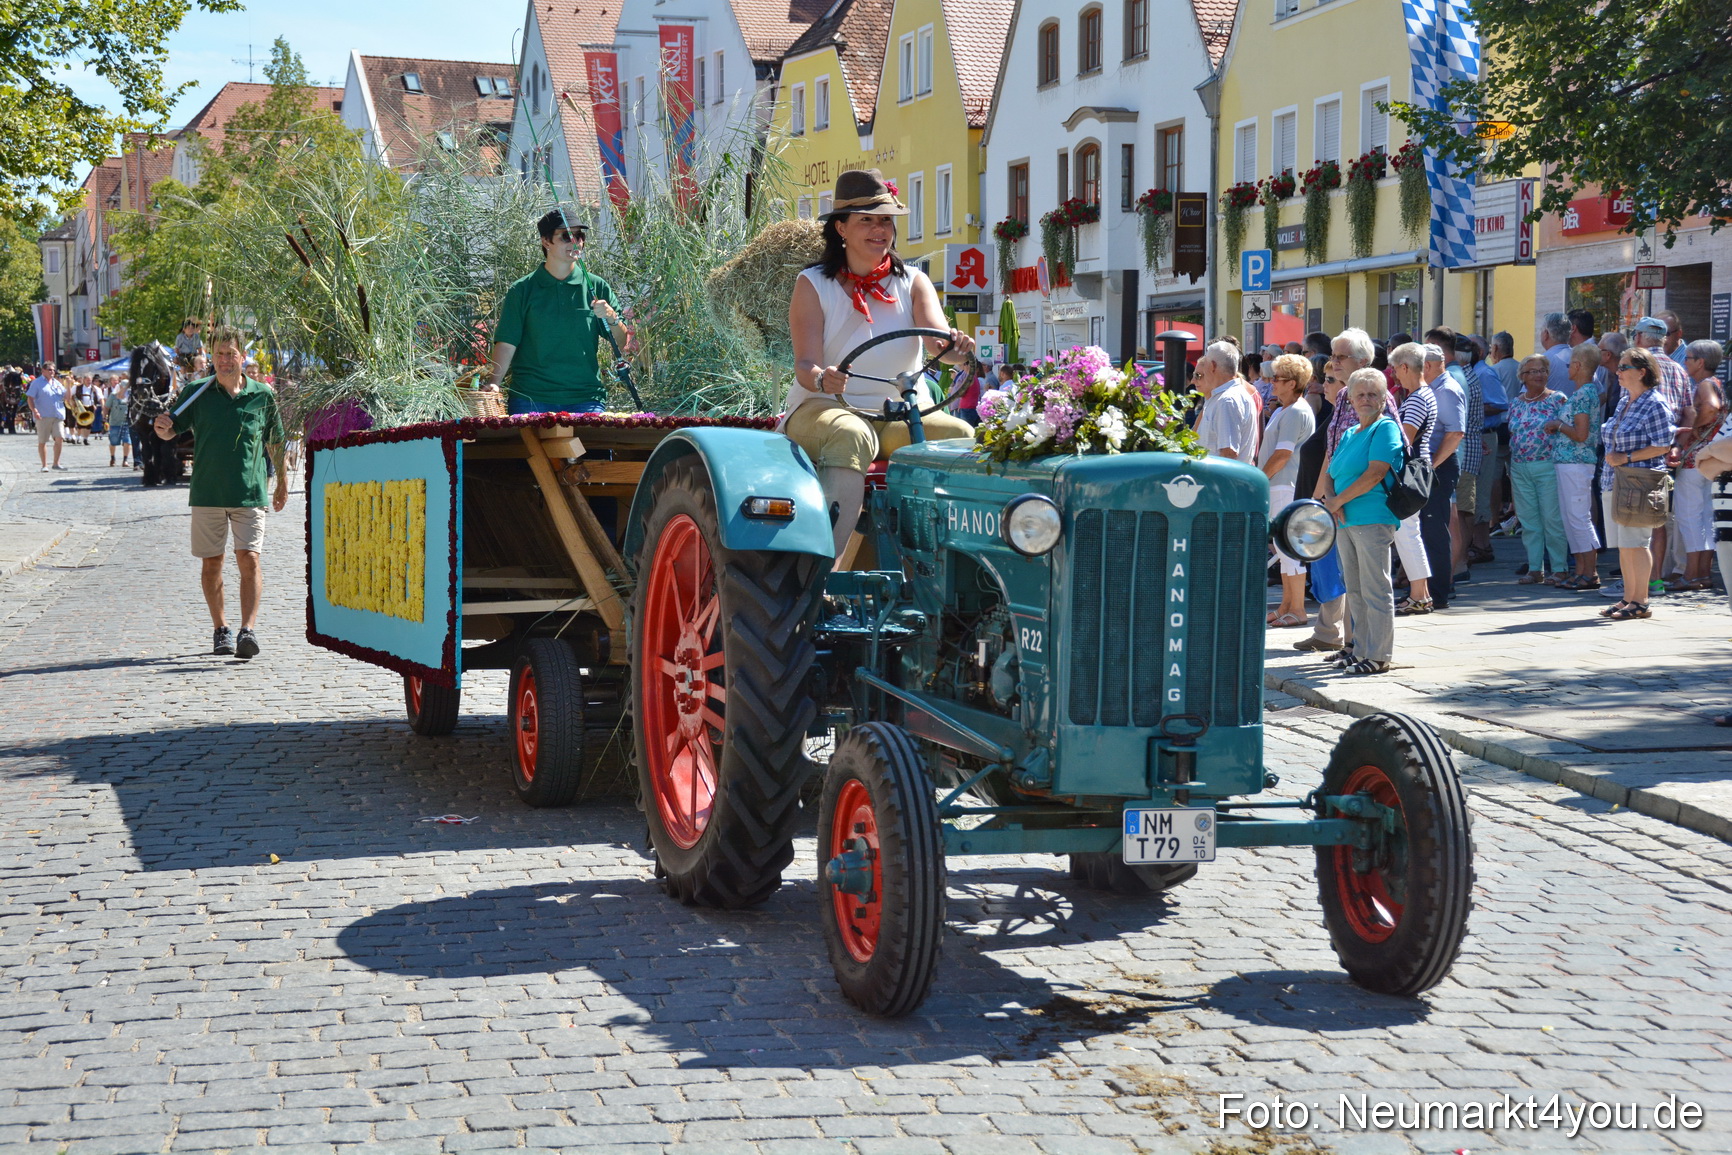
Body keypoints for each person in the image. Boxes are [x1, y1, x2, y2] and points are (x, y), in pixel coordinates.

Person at [785, 169, 975, 557]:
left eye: (885, 220)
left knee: (957, 435)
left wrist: (959, 348)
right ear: (841, 228)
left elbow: (941, 345)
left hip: (901, 413)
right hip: (823, 407)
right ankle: (824, 576)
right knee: (852, 435)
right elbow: (805, 366)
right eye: (867, 220)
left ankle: (948, 568)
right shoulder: (813, 283)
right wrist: (823, 380)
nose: (880, 230)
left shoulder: (914, 281)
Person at [152, 327, 288, 659]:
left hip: (250, 492)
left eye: (231, 353)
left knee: (250, 560)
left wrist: (282, 481)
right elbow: (172, 431)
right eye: (220, 354)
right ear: (212, 357)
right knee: (213, 563)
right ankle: (221, 629)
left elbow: (275, 440)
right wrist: (162, 429)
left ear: (243, 357)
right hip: (208, 492)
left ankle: (248, 630)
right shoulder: (197, 392)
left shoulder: (262, 395)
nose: (225, 360)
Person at [483, 209, 633, 416]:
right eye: (566, 236)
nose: (576, 242)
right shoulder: (521, 290)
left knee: (595, 450)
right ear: (546, 241)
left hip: (586, 397)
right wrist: (494, 384)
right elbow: (507, 343)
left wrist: (611, 317)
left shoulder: (597, 286)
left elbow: (622, 341)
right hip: (530, 399)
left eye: (579, 235)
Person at [1319, 368, 1405, 675]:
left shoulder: (1386, 428)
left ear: (1383, 399)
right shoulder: (1348, 432)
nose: (1366, 399)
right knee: (1355, 589)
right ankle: (1362, 650)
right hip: (1345, 519)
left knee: (1375, 588)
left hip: (1372, 517)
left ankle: (1379, 654)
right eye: (1360, 394)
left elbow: (1376, 473)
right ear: (1351, 400)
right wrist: (1331, 499)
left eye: (1372, 394)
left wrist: (1338, 501)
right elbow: (1331, 472)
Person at [1597, 347, 1675, 621]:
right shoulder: (1624, 400)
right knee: (1624, 545)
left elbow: (1663, 445)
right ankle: (1628, 598)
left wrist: (1626, 456)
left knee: (1637, 543)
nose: (1617, 372)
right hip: (1615, 480)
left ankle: (1641, 601)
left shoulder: (1655, 403)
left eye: (1624, 367)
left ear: (1642, 372)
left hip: (1640, 483)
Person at [1259, 354, 1317, 628]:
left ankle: (1297, 609)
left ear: (1292, 383)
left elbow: (1283, 454)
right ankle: (1287, 605)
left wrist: (1258, 479)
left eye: (1277, 379)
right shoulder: (1287, 409)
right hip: (1280, 484)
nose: (1271, 383)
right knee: (1284, 549)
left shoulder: (1295, 411)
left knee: (1289, 548)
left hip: (1285, 485)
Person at [1385, 342, 1440, 613]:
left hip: (1411, 473)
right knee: (1409, 533)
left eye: (1396, 368)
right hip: (1418, 471)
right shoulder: (1423, 394)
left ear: (1405, 367)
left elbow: (1405, 439)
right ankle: (1422, 593)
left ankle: (1419, 594)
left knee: (1407, 533)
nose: (1394, 374)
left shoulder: (1418, 397)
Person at [1544, 342, 1604, 589]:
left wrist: (1558, 425)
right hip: (1571, 463)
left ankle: (1589, 572)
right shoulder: (1585, 393)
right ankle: (1581, 570)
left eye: (1570, 365)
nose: (1568, 369)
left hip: (1576, 463)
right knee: (1573, 518)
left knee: (1578, 518)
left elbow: (1580, 434)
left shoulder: (1582, 394)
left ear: (1578, 366)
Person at [1507, 355, 1570, 584]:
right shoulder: (1516, 402)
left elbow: (1569, 431)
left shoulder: (1558, 400)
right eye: (1533, 371)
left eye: (1543, 370)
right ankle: (1535, 568)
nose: (1540, 374)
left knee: (1552, 518)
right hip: (1520, 466)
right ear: (1522, 376)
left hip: (1547, 465)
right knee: (1529, 520)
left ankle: (1560, 568)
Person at [1670, 340, 1727, 591]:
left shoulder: (1704, 385)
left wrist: (1694, 431)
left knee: (1689, 518)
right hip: (1709, 461)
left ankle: (1691, 575)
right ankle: (1702, 574)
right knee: (1705, 519)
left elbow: (1711, 408)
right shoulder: (1717, 384)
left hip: (1694, 460)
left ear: (1700, 362)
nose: (1685, 362)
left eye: (1689, 358)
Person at [1193, 342, 1258, 460]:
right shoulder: (1225, 396)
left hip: (1219, 477)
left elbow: (1229, 454)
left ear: (1212, 366)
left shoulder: (1227, 401)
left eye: (1205, 363)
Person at [27, 364, 68, 471]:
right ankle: (44, 465)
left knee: (59, 438)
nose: (52, 372)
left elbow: (67, 398)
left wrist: (68, 384)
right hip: (43, 416)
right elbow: (30, 398)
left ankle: (56, 463)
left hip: (58, 415)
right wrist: (34, 410)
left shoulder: (57, 382)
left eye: (53, 370)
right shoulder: (37, 383)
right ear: (43, 370)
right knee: (43, 441)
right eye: (49, 370)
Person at [1540, 312, 1576, 396]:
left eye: (1541, 331)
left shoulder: (1541, 361)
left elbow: (1528, 396)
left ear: (1546, 334)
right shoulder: (1582, 358)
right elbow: (1601, 394)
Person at [106, 374, 132, 468]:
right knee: (113, 442)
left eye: (127, 387)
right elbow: (107, 407)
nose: (125, 389)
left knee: (127, 441)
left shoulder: (130, 397)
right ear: (120, 386)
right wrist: (105, 418)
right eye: (123, 386)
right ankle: (112, 457)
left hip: (127, 422)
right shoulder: (113, 396)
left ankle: (125, 460)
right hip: (115, 422)